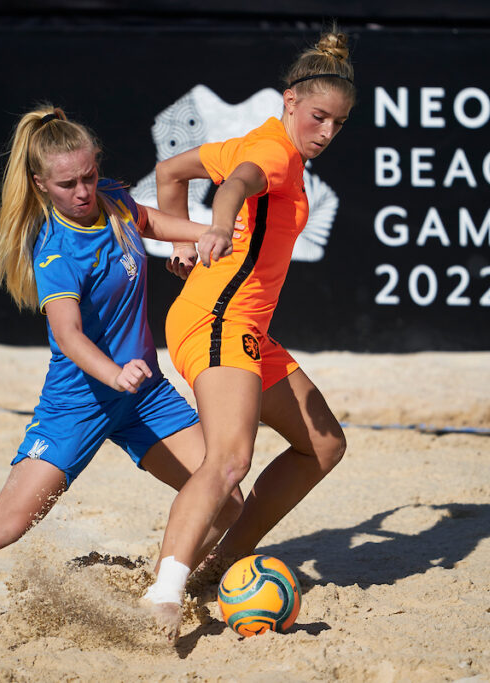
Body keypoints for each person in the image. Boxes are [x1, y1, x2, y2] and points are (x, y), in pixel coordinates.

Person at [0, 106, 242, 634]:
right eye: (68, 184)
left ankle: (160, 591)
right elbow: (68, 335)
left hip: (142, 394)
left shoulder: (110, 197)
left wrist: (200, 233)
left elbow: (144, 218)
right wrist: (113, 376)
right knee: (8, 523)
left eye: (88, 176)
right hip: (81, 399)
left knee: (226, 496)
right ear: (41, 185)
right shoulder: (57, 252)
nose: (83, 191)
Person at [141, 28, 355, 639]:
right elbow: (236, 186)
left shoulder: (257, 140)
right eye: (318, 117)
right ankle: (164, 593)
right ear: (289, 101)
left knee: (323, 445)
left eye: (338, 124)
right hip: (216, 321)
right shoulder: (274, 155)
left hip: (247, 326)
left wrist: (181, 240)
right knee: (230, 459)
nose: (327, 133)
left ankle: (222, 559)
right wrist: (210, 229)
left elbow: (169, 168)